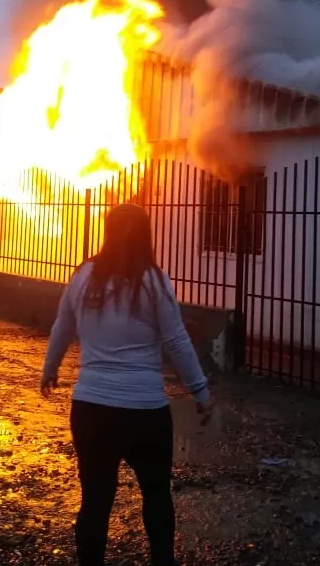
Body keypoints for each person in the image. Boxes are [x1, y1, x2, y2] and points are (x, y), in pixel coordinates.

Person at [40, 202, 214, 566]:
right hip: (145, 413)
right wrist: (200, 391)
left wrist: (50, 369)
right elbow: (177, 340)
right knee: (156, 495)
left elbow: (62, 327)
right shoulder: (155, 281)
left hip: (91, 410)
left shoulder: (83, 276)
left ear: (107, 231)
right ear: (147, 235)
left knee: (95, 501)